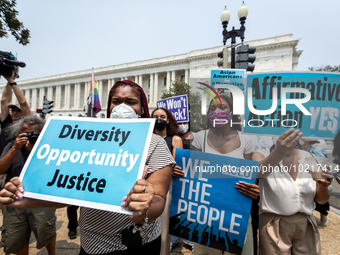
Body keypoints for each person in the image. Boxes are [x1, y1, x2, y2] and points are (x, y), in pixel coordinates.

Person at [0, 80, 175, 255]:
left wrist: (142, 213)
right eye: (116, 101)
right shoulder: (90, 141)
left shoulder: (155, 144)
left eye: (130, 102)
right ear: (109, 106)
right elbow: (72, 192)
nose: (122, 108)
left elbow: (159, 196)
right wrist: (25, 199)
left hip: (137, 243)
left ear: (142, 108)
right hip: (93, 243)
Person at [191, 94, 259, 255]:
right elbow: (192, 174)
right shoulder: (200, 138)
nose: (217, 111)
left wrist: (253, 188)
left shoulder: (245, 141)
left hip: (237, 212)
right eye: (212, 108)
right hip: (206, 214)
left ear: (232, 112)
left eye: (222, 107)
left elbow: (249, 177)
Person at [253, 135, 333, 255]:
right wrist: (280, 150)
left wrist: (323, 186)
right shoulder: (261, 155)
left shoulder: (313, 158)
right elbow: (259, 172)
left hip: (306, 223)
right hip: (273, 222)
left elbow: (321, 200)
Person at [0, 115, 56, 255]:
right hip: (15, 200)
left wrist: (35, 152)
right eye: (26, 133)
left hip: (40, 200)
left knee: (46, 231)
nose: (30, 136)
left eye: (34, 134)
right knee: (17, 237)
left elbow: (54, 171)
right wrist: (15, 148)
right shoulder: (12, 145)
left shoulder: (48, 147)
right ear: (19, 133)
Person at [151, 107, 183, 254]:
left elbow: (177, 166)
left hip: (166, 188)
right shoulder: (148, 140)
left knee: (164, 227)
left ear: (168, 120)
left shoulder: (175, 139)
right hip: (147, 186)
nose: (159, 119)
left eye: (162, 116)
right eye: (155, 116)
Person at [1, 71, 32, 156]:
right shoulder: (7, 123)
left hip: (17, 164)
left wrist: (12, 82)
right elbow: (4, 101)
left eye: (18, 111)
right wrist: (9, 79)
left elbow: (23, 103)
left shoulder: (28, 125)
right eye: (13, 110)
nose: (15, 113)